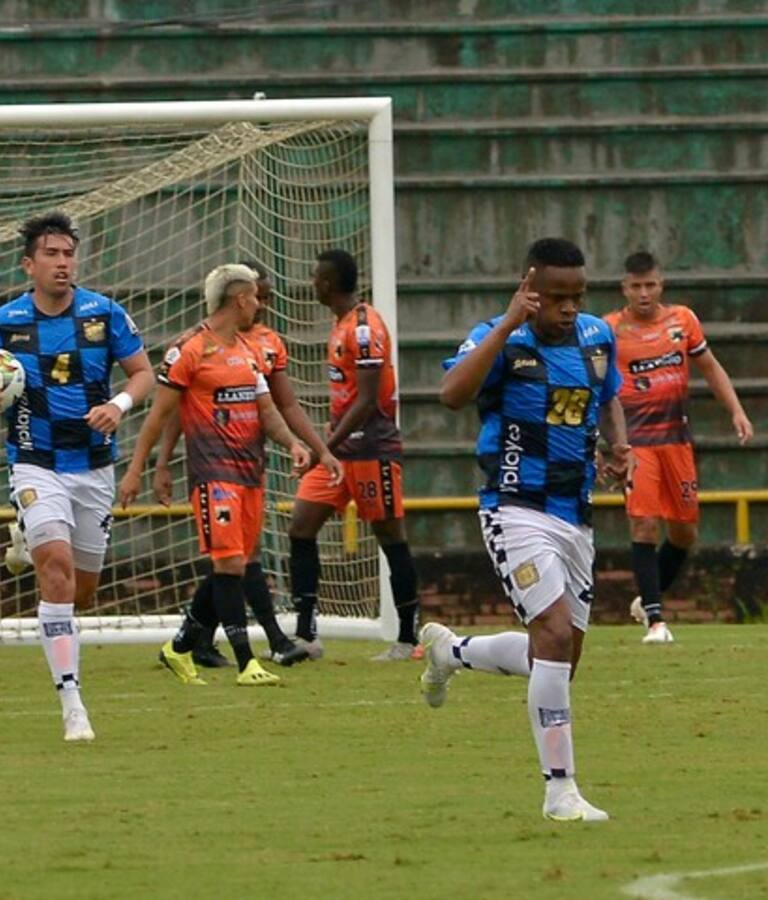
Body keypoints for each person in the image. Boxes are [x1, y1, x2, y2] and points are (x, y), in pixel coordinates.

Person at [422, 238, 630, 822]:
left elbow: (609, 396)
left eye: (577, 296)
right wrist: (506, 322)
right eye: (556, 297)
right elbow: (451, 394)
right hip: (513, 508)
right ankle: (559, 791)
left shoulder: (596, 337)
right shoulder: (502, 338)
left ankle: (451, 651)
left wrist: (620, 444)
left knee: (559, 658)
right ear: (529, 290)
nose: (568, 308)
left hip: (575, 514)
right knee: (555, 635)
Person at [0, 211, 154, 743]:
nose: (62, 262)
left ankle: (27, 538)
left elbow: (144, 374)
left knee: (82, 592)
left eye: (68, 253)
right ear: (29, 264)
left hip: (93, 466)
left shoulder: (105, 313)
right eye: (51, 254)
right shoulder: (3, 322)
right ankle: (72, 702)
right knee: (58, 573)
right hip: (34, 462)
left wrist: (117, 405)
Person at [118, 264, 340, 686]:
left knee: (233, 566)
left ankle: (180, 646)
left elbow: (268, 410)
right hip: (212, 473)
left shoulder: (250, 351)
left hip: (250, 474)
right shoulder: (188, 351)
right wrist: (143, 469)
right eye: (255, 296)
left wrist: (294, 444)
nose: (259, 304)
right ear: (240, 299)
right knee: (230, 562)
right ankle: (246, 662)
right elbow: (160, 416)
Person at [603, 251, 753, 644]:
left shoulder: (682, 320)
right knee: (644, 522)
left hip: (677, 441)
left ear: (661, 285)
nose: (644, 292)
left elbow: (711, 367)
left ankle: (645, 602)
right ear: (624, 288)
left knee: (685, 532)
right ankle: (656, 620)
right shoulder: (610, 330)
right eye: (636, 286)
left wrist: (736, 411)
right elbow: (596, 387)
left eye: (650, 284)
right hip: (636, 444)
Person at [286, 249, 423, 662]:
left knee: (390, 537)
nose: (311, 284)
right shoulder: (341, 323)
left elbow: (366, 400)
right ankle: (307, 634)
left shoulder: (364, 328)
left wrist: (324, 448)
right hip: (339, 450)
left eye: (315, 277)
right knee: (300, 526)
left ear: (327, 283)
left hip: (370, 447)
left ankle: (408, 638)